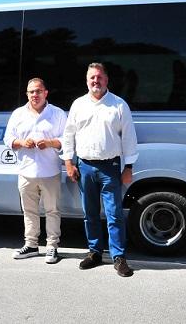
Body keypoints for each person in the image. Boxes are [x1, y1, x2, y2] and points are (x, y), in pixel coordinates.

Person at [62, 62, 138, 277]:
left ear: (106, 80)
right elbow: (68, 135)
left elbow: (129, 137)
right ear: (87, 81)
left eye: (99, 77)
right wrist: (69, 162)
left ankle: (119, 257)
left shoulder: (118, 105)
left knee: (114, 214)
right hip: (84, 166)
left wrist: (129, 167)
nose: (96, 81)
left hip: (110, 167)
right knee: (90, 214)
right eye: (92, 78)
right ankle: (94, 252)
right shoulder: (78, 104)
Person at [4, 78, 67, 264]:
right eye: (31, 92)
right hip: (26, 171)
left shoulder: (57, 113)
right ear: (27, 94)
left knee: (52, 210)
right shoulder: (18, 114)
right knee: (29, 211)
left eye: (38, 91)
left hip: (50, 172)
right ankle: (31, 245)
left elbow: (67, 139)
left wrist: (49, 143)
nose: (35, 95)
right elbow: (8, 139)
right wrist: (22, 143)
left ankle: (52, 247)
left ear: (46, 93)